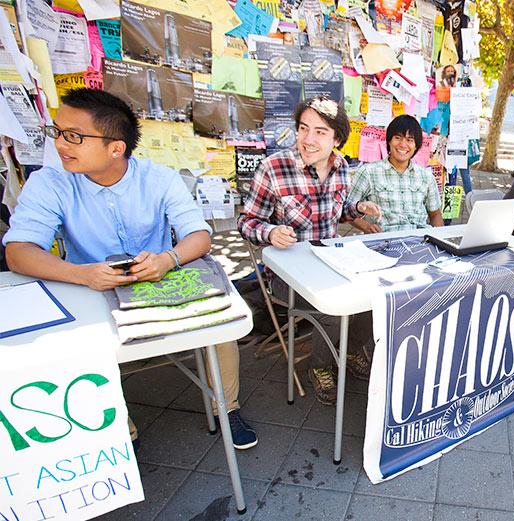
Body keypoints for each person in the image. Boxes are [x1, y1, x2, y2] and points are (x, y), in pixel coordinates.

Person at [2, 88, 258, 449]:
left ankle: (226, 408)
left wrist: (167, 259)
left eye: (74, 136)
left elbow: (198, 236)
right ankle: (119, 429)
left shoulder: (159, 178)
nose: (61, 144)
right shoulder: (50, 183)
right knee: (76, 345)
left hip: (158, 278)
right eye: (57, 132)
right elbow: (19, 252)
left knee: (222, 323)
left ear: (115, 148)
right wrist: (82, 274)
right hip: (89, 288)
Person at [238, 96, 381, 405]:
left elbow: (338, 210)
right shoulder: (273, 168)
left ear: (337, 139)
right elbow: (246, 221)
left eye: (320, 132)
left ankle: (353, 349)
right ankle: (322, 367)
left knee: (376, 294)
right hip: (287, 274)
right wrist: (270, 231)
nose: (308, 139)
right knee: (333, 303)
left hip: (331, 261)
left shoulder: (341, 167)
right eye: (304, 129)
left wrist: (357, 208)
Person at [350, 115, 442, 232]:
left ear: (416, 146)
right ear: (389, 141)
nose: (403, 144)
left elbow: (435, 214)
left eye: (410, 140)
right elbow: (347, 209)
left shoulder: (426, 177)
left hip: (420, 240)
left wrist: (439, 241)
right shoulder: (368, 172)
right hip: (384, 243)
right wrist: (366, 227)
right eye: (398, 138)